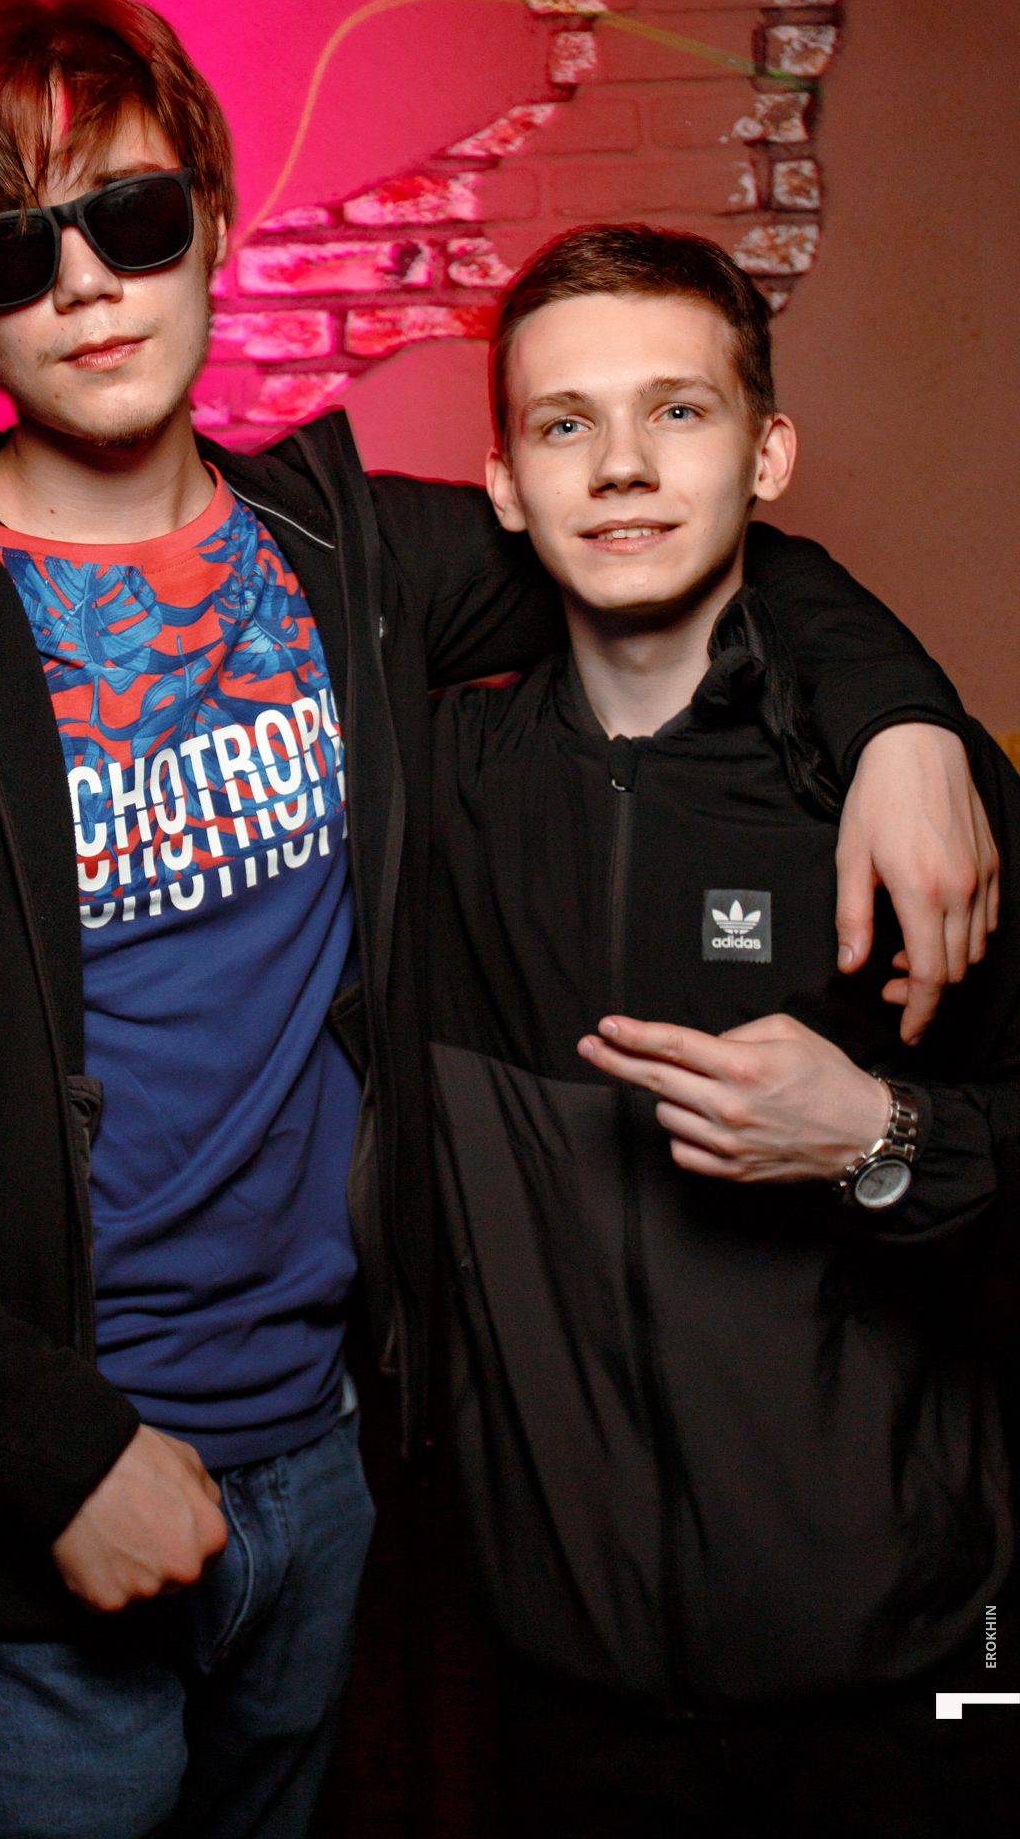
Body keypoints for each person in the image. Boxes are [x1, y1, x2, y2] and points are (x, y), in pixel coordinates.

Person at [0, 0, 997, 1839]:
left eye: (130, 217)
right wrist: (52, 1453)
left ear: (213, 224)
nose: (85, 284)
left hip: (323, 1489)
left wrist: (903, 725)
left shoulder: (355, 563)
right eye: (12, 247)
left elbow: (659, 512)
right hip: (12, 1558)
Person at [426, 222, 1020, 1838]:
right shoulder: (440, 800)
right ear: (504, 487)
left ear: (768, 456)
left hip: (923, 1665)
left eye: (677, 412)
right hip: (570, 1687)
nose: (622, 466)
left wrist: (885, 1139)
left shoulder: (907, 802)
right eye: (566, 424)